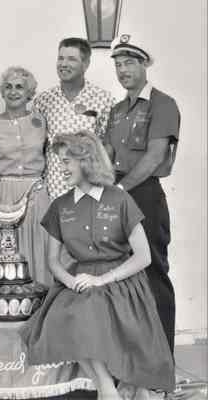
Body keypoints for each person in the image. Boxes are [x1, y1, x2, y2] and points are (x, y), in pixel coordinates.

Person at [20, 132, 175, 400]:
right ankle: (106, 388)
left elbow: (143, 257)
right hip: (79, 280)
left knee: (91, 311)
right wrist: (70, 282)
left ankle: (124, 389)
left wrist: (103, 280)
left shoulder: (120, 199)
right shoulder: (60, 206)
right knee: (65, 315)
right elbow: (53, 262)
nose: (61, 167)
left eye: (67, 161)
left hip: (122, 281)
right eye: (60, 161)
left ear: (87, 161)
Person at [104, 34, 180, 354]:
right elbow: (107, 154)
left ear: (145, 65)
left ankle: (162, 362)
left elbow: (152, 158)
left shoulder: (163, 104)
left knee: (152, 273)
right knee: (120, 273)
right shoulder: (118, 108)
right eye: (119, 64)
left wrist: (118, 190)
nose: (123, 70)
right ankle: (131, 359)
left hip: (144, 194)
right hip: (117, 191)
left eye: (130, 63)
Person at [0, 66, 51, 285]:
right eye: (8, 86)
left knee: (36, 245)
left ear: (29, 93)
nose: (13, 91)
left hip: (35, 193)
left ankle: (38, 301)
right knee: (1, 248)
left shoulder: (42, 121)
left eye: (19, 87)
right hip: (1, 195)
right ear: (1, 91)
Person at [33, 37, 115, 200]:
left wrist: (99, 182)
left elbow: (108, 146)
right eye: (60, 58)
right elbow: (37, 146)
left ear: (85, 64)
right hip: (53, 189)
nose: (63, 64)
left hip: (89, 188)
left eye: (71, 59)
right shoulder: (43, 100)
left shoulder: (104, 99)